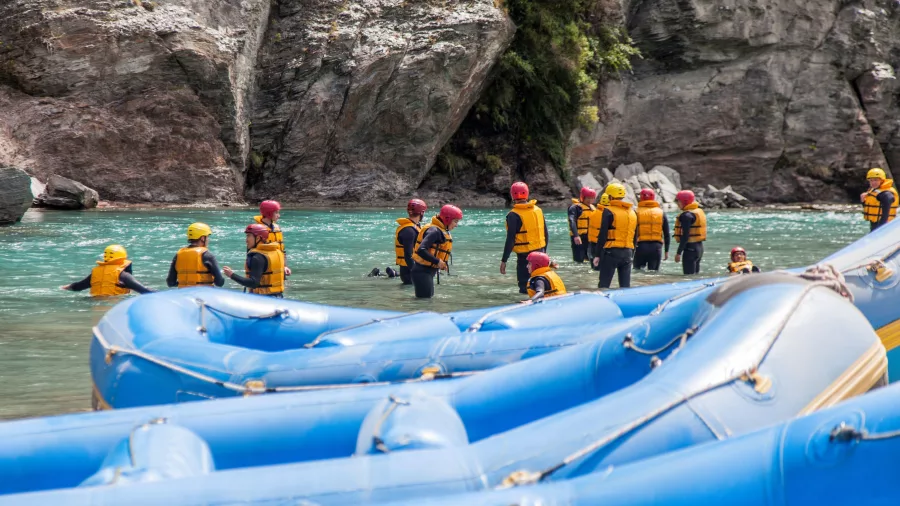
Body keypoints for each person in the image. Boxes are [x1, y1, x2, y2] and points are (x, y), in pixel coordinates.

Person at [500, 182, 549, 294]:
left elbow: (510, 239)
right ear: (527, 194)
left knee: (525, 288)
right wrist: (544, 253)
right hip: (541, 254)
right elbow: (546, 234)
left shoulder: (513, 215)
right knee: (540, 285)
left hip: (525, 259)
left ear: (512, 196)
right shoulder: (538, 210)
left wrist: (504, 260)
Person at [411, 204, 463, 299]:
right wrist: (437, 262)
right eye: (455, 221)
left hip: (426, 272)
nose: (456, 225)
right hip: (422, 272)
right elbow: (421, 250)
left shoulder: (441, 230)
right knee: (424, 302)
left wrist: (442, 264)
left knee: (426, 301)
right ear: (447, 219)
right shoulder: (434, 231)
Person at [61, 245, 154, 296]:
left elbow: (78, 287)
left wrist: (66, 287)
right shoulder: (123, 275)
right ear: (123, 258)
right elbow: (144, 291)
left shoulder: (95, 273)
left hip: (95, 304)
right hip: (115, 304)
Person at [592, 183, 637, 289]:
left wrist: (597, 255)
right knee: (625, 286)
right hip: (628, 252)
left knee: (604, 285)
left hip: (612, 253)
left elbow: (602, 234)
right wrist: (632, 253)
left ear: (610, 196)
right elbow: (635, 235)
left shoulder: (608, 211)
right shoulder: (632, 212)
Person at [223, 224, 286, 297]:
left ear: (258, 238)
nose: (246, 240)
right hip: (278, 297)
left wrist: (232, 275)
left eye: (249, 236)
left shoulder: (258, 257)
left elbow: (253, 283)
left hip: (263, 300)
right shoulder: (277, 252)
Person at [166, 223, 225, 288]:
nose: (208, 239)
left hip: (184, 295)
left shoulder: (178, 255)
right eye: (207, 237)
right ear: (202, 238)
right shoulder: (207, 255)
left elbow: (170, 282)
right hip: (203, 295)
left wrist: (182, 283)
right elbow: (219, 283)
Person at [634, 189, 671, 271]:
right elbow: (666, 234)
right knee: (653, 273)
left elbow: (632, 232)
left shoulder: (636, 212)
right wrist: (666, 251)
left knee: (637, 271)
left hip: (640, 247)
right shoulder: (661, 213)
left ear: (641, 198)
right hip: (656, 247)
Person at [253, 200, 292, 276]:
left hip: (278, 267)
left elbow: (282, 250)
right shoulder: (257, 229)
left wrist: (285, 266)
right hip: (264, 269)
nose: (279, 215)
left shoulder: (277, 228)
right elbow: (252, 252)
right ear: (269, 213)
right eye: (276, 212)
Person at [673, 190, 707, 275]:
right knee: (695, 277)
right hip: (699, 248)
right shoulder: (697, 211)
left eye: (679, 201)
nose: (677, 203)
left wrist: (678, 253)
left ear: (685, 201)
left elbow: (685, 236)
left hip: (690, 250)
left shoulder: (686, 216)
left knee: (688, 277)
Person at [395, 198, 427, 285]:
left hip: (412, 268)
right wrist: (416, 273)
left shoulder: (414, 227)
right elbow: (408, 254)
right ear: (422, 212)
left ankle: (393, 274)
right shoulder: (409, 231)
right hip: (409, 273)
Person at [568, 187, 597, 264]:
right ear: (583, 197)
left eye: (592, 198)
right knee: (579, 261)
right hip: (579, 237)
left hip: (590, 238)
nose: (590, 200)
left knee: (590, 260)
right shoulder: (575, 208)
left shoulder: (593, 208)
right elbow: (572, 221)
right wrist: (576, 235)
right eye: (588, 198)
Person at [587, 193, 610, 272]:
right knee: (605, 270)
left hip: (592, 244)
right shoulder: (610, 214)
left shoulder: (592, 213)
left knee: (594, 269)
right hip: (604, 245)